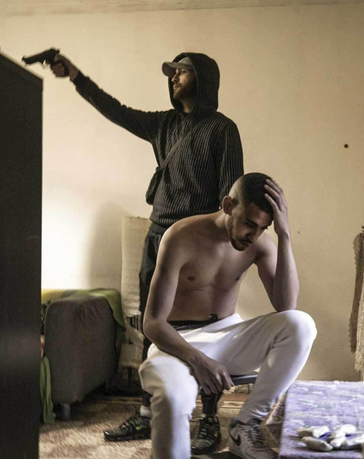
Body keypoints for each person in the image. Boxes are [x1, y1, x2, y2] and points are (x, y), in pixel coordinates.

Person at [50, 52, 244, 453]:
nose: (174, 77)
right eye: (172, 72)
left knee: (203, 326)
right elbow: (117, 111)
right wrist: (77, 77)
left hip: (198, 239)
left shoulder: (223, 129)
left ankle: (208, 417)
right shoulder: (164, 124)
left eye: (182, 71)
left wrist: (220, 243)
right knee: (150, 323)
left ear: (204, 78)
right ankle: (146, 412)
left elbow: (231, 194)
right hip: (159, 235)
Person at [140, 173, 317, 459]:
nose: (253, 236)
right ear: (227, 206)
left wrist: (284, 234)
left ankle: (245, 426)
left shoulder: (260, 244)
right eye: (249, 224)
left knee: (301, 324)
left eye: (263, 228)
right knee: (172, 400)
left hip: (228, 334)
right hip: (177, 340)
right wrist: (198, 359)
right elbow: (152, 323)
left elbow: (286, 305)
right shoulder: (181, 237)